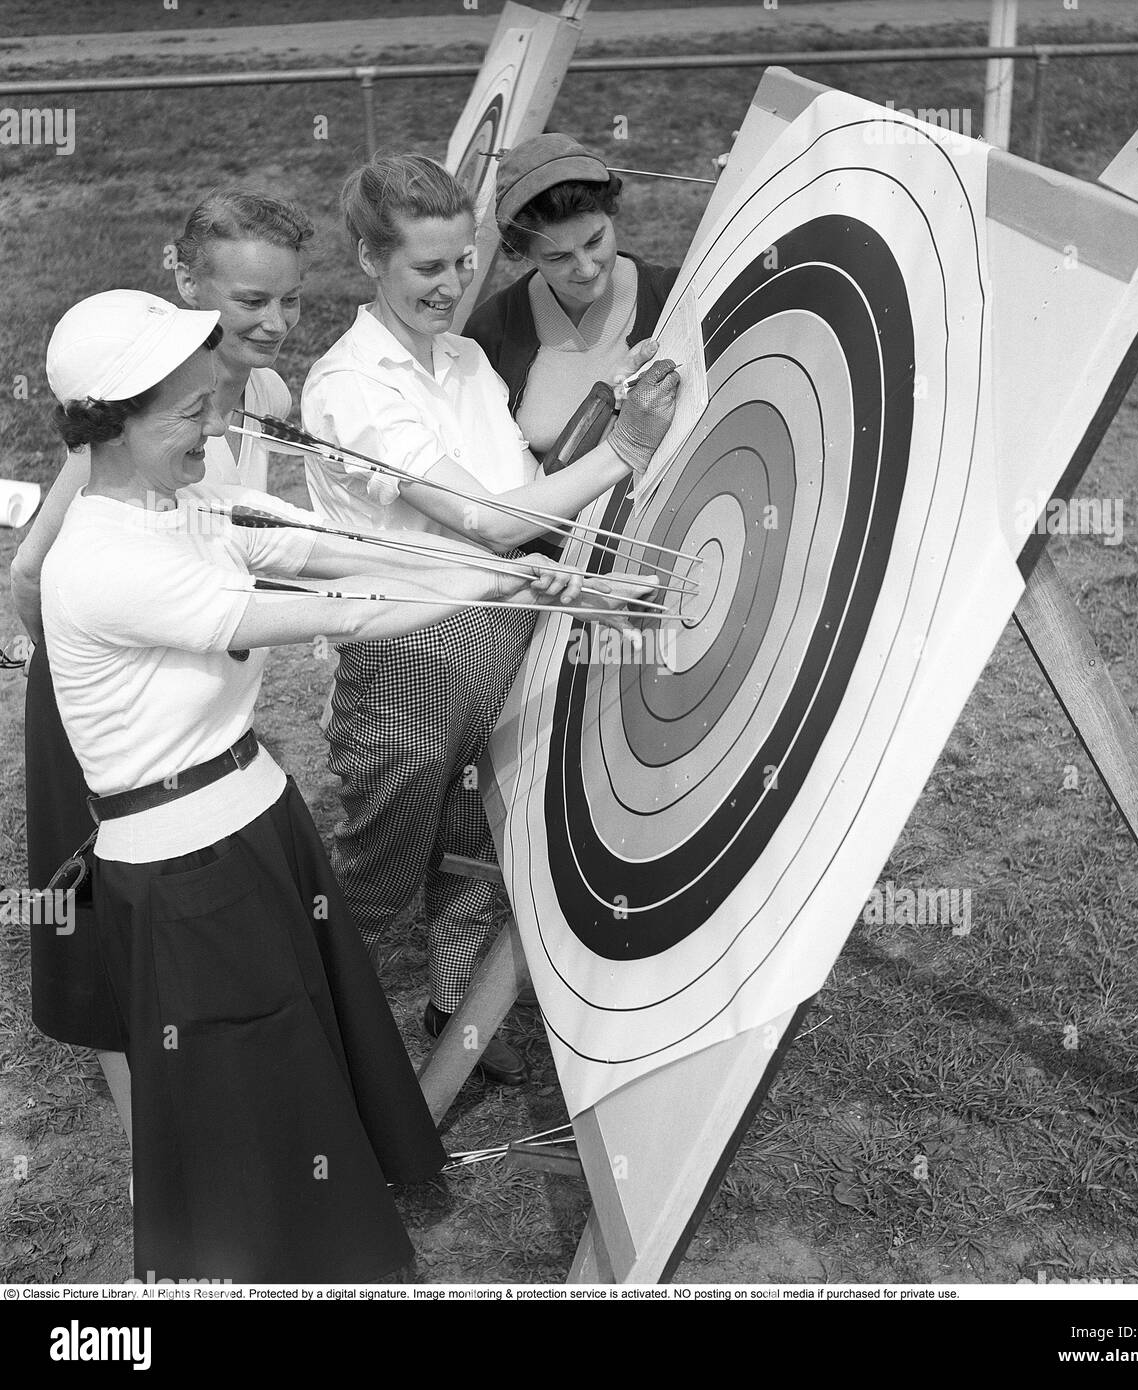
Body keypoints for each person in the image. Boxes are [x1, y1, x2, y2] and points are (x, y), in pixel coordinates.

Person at [37, 287, 613, 1281]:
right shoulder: (103, 561)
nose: (211, 423)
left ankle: (321, 1229)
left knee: (296, 1049)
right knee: (241, 1081)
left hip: (255, 824)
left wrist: (494, 563)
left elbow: (326, 546)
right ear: (112, 424)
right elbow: (330, 611)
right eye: (185, 410)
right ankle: (266, 1260)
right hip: (185, 874)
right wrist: (495, 576)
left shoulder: (185, 497)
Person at [301, 152, 678, 1087]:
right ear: (368, 261)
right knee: (382, 862)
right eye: (427, 267)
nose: (452, 284)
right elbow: (492, 519)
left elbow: (516, 508)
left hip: (499, 619)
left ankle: (452, 1015)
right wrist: (624, 449)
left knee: (479, 835)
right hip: (408, 650)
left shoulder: (466, 358)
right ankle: (301, 1028)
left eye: (463, 261)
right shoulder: (350, 385)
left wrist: (554, 576)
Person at [10, 191, 314, 1156]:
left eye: (291, 301)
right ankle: (153, 1139)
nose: (273, 324)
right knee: (104, 907)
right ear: (184, 286)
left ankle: (217, 1096)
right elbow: (34, 568)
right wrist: (80, 675)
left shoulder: (259, 397)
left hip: (193, 686)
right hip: (108, 694)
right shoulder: (136, 414)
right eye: (248, 302)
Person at [464, 132, 679, 460]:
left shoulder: (674, 294)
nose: (587, 268)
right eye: (559, 257)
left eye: (595, 241)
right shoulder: (491, 331)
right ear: (524, 253)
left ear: (611, 210)